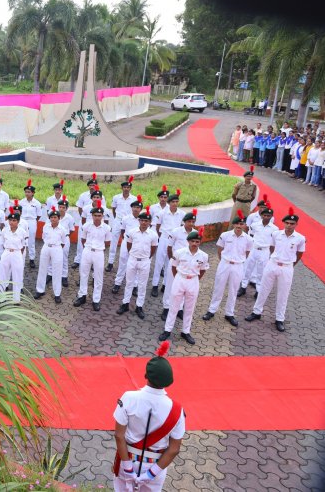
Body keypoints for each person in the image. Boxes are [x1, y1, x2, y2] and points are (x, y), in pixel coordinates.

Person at [112, 341, 185, 492]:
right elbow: (174, 449)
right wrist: (150, 474)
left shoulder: (128, 398)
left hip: (127, 458)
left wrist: (128, 468)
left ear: (146, 375)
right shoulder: (177, 410)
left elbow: (119, 436)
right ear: (169, 381)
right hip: (155, 465)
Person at [245, 207, 306, 332]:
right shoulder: (276, 234)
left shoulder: (300, 238)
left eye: (292, 224)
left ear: (296, 224)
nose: (289, 225)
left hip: (287, 267)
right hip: (272, 264)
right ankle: (256, 312)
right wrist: (275, 259)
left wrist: (291, 264)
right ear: (284, 223)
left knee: (283, 294)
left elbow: (299, 254)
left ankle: (279, 319)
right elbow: (272, 247)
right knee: (263, 289)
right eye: (287, 223)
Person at [201, 211, 253, 326]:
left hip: (238, 265)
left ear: (245, 225)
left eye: (242, 224)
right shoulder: (225, 235)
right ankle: (212, 310)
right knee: (218, 288)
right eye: (237, 224)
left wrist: (239, 260)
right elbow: (220, 250)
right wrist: (224, 260)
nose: (239, 226)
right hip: (225, 264)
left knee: (233, 290)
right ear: (234, 225)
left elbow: (247, 253)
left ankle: (229, 313)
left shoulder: (249, 239)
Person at [159, 228, 209, 345]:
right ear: (188, 241)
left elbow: (202, 270)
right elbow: (173, 267)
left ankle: (185, 331)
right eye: (192, 241)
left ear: (200, 242)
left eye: (197, 241)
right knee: (174, 306)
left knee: (189, 308)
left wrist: (194, 279)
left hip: (193, 281)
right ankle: (167, 330)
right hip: (180, 279)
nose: (194, 243)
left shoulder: (204, 256)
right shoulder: (179, 252)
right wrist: (180, 278)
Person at [117, 206, 158, 319]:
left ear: (149, 222)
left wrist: (147, 257)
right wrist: (132, 254)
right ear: (139, 221)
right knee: (129, 283)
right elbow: (128, 244)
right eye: (142, 220)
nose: (144, 222)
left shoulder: (153, 235)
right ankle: (125, 304)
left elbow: (153, 248)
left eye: (146, 221)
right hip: (133, 259)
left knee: (142, 285)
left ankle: (139, 306)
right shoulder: (132, 232)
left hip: (145, 261)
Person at [160, 210, 197, 321]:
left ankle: (179, 308)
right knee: (170, 285)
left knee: (182, 287)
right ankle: (166, 308)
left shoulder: (195, 233)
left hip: (187, 265)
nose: (191, 223)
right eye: (189, 221)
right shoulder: (176, 231)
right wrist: (173, 259)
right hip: (176, 262)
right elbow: (169, 247)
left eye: (193, 221)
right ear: (184, 221)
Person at [74, 200, 111, 311]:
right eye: (95, 215)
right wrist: (88, 247)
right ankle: (82, 296)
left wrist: (100, 249)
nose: (97, 217)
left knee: (98, 277)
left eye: (99, 215)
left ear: (102, 216)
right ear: (92, 215)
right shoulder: (86, 226)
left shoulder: (107, 228)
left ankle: (96, 300)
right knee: (84, 274)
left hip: (99, 252)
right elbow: (83, 239)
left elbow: (108, 243)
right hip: (87, 251)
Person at [151, 190, 185, 297]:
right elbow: (157, 227)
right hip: (164, 238)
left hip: (175, 241)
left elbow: (182, 227)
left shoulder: (182, 214)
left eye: (176, 201)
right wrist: (162, 238)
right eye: (173, 201)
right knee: (159, 262)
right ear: (169, 203)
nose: (175, 203)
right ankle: (155, 285)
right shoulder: (162, 213)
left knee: (170, 263)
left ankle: (165, 284)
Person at [238, 204, 276, 297]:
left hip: (265, 250)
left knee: (261, 271)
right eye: (265, 215)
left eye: (268, 216)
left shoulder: (275, 229)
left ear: (271, 217)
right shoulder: (255, 225)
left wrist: (272, 254)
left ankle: (258, 290)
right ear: (262, 215)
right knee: (247, 268)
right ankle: (243, 287)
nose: (266, 217)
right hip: (254, 249)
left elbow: (273, 242)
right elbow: (251, 235)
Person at [34, 207, 68, 304]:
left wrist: (56, 247)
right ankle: (40, 290)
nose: (53, 219)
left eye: (55, 217)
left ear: (59, 218)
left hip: (57, 248)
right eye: (51, 217)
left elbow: (63, 242)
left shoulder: (62, 229)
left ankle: (57, 294)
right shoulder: (46, 226)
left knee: (57, 271)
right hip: (46, 247)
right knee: (42, 269)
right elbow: (43, 237)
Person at [113, 196, 143, 295]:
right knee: (122, 262)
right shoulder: (126, 218)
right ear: (131, 208)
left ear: (141, 209)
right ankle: (118, 283)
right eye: (134, 207)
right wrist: (126, 240)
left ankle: (135, 285)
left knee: (136, 265)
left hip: (138, 244)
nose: (135, 209)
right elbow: (122, 230)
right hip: (126, 242)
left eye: (138, 207)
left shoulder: (143, 220)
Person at [0, 209, 28, 302]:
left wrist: (18, 254)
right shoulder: (4, 230)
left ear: (18, 222)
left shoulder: (22, 232)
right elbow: (2, 243)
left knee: (17, 276)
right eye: (10, 220)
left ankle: (16, 299)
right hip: (6, 252)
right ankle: (1, 298)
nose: (11, 222)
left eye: (14, 220)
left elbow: (24, 245)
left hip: (17, 253)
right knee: (3, 275)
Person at [109, 176, 137, 272]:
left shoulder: (134, 198)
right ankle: (110, 262)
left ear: (130, 188)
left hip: (128, 222)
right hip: (118, 220)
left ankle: (128, 262)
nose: (126, 189)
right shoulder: (116, 197)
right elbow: (113, 209)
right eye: (124, 187)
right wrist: (117, 218)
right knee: (114, 242)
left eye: (128, 187)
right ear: (122, 188)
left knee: (128, 241)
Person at [20, 179, 42, 268]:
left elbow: (39, 215)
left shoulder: (37, 203)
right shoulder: (22, 202)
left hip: (32, 221)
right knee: (21, 239)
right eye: (26, 192)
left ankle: (31, 259)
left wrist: (33, 222)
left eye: (29, 192)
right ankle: (21, 257)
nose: (27, 194)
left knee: (31, 241)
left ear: (33, 193)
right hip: (23, 221)